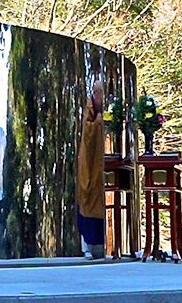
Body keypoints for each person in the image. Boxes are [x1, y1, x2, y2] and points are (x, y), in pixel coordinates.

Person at [76, 79, 105, 259]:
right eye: (96, 92)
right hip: (90, 161)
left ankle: (103, 244)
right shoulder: (89, 109)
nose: (99, 96)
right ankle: (87, 245)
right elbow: (87, 131)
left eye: (101, 92)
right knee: (87, 195)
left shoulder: (107, 108)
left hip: (103, 164)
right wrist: (98, 122)